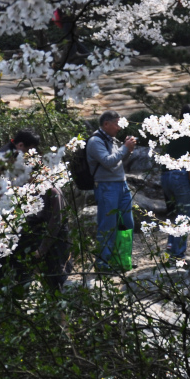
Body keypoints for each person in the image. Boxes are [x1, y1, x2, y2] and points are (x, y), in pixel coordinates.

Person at [0, 129, 71, 291]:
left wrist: (42, 249)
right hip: (35, 238)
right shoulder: (26, 190)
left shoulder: (52, 192)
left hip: (54, 241)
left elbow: (55, 224)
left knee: (56, 280)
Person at [86, 110, 137, 270]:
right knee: (107, 225)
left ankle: (121, 259)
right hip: (106, 186)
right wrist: (124, 148)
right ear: (106, 124)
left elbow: (119, 162)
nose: (119, 128)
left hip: (121, 184)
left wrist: (128, 149)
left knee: (127, 223)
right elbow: (108, 162)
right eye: (117, 124)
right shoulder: (95, 141)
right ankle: (103, 263)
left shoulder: (112, 140)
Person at [160, 104, 190, 260]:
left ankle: (171, 249)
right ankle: (178, 254)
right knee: (184, 216)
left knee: (173, 215)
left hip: (165, 176)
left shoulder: (172, 129)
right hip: (181, 176)